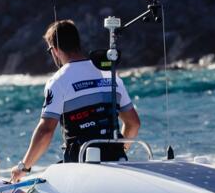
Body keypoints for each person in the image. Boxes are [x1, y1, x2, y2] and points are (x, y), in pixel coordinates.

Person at [11, 19, 141, 180]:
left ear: (55, 49)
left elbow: (46, 131)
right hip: (117, 164)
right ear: (77, 44)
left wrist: (24, 167)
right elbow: (134, 123)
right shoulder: (110, 73)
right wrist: (119, 149)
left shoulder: (58, 81)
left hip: (81, 169)